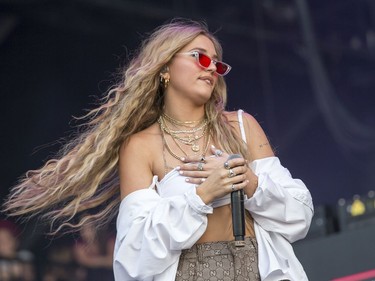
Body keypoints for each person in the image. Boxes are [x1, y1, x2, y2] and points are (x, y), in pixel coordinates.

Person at [3, 19, 314, 280]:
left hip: (254, 267)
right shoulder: (141, 146)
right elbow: (133, 257)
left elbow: (299, 216)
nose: (211, 68)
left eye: (216, 62)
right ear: (165, 67)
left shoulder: (242, 126)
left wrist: (251, 182)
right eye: (199, 57)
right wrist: (202, 195)